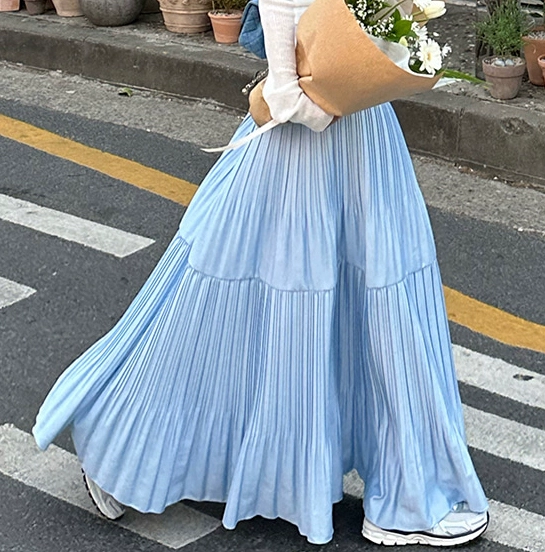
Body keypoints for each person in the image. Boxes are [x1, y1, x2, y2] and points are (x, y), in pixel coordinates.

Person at [32, 0, 489, 546]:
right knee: (230, 298)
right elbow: (283, 50)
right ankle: (119, 444)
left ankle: (403, 489)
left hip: (359, 126)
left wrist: (385, 56)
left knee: (374, 297)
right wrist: (307, 96)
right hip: (308, 127)